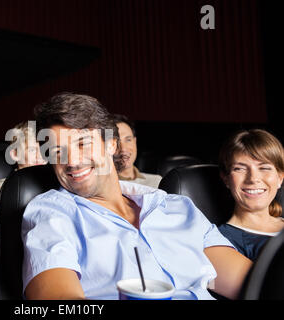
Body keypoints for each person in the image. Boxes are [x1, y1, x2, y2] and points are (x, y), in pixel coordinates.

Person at [22, 92, 252, 300]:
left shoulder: (176, 207)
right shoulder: (52, 213)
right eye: (57, 152)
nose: (71, 161)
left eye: (83, 143)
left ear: (112, 144)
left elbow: (252, 284)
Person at [218, 129, 284, 261]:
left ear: (280, 178)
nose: (253, 179)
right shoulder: (222, 241)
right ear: (226, 179)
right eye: (240, 169)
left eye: (264, 168)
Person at [0, 120, 46, 233]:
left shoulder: (53, 183)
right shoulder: (5, 186)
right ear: (15, 154)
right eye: (32, 150)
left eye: (43, 150)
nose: (39, 156)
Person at [111, 114, 162, 188]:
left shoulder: (157, 181)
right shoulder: (104, 186)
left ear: (135, 142)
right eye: (116, 142)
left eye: (128, 140)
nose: (123, 149)